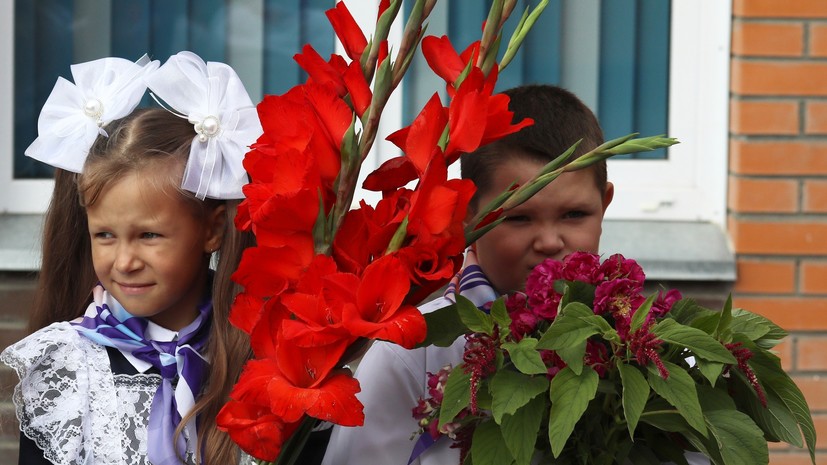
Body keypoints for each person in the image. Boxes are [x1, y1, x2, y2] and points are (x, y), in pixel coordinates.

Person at [321, 83, 613, 465]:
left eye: (574, 214)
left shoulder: (644, 348)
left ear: (604, 203)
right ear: (468, 214)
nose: (549, 241)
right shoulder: (412, 353)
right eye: (520, 217)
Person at [1, 52, 260, 465]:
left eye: (149, 235)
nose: (124, 261)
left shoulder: (260, 353)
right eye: (105, 235)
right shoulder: (65, 370)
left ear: (212, 230)